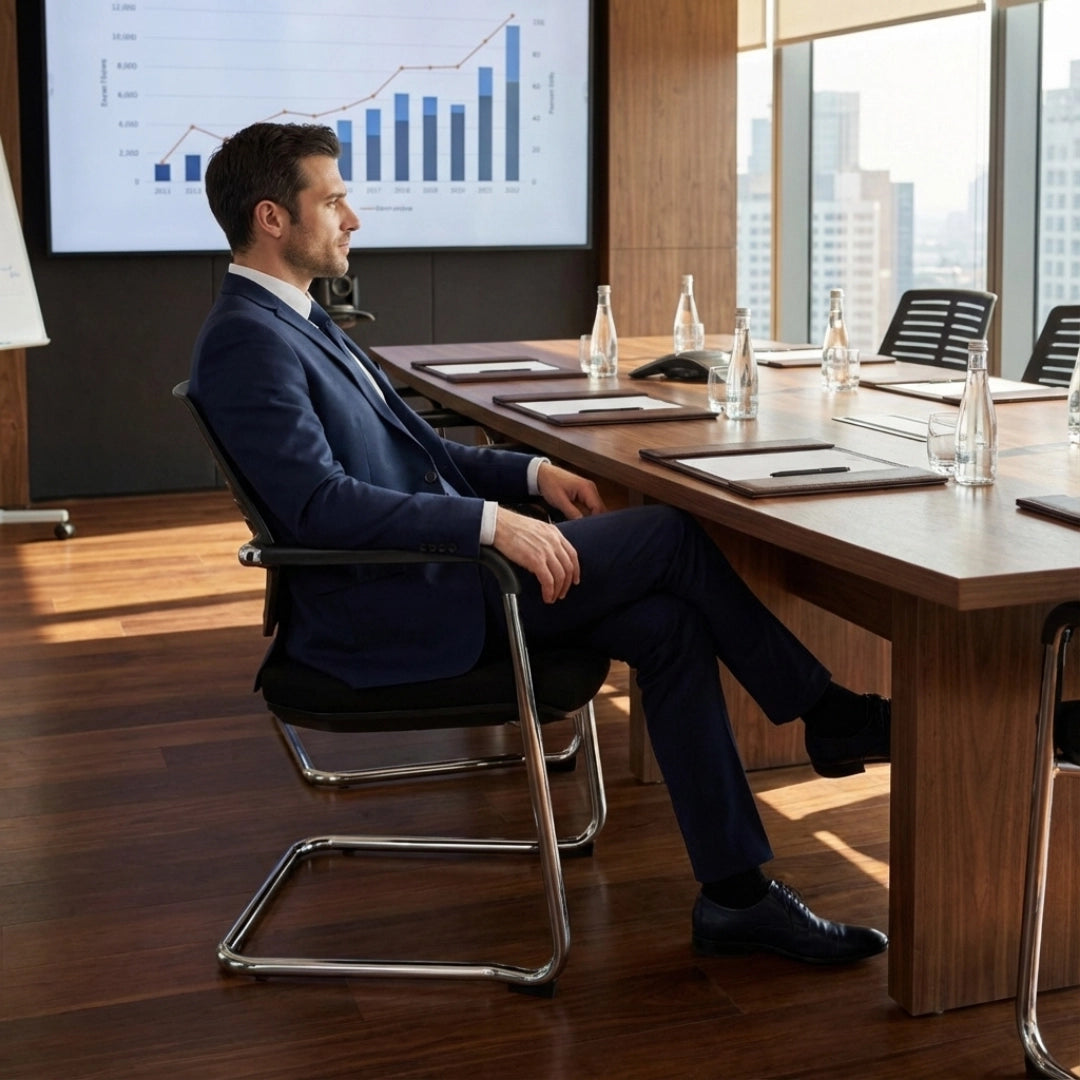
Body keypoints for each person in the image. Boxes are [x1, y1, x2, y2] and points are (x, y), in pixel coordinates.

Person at [190, 122, 890, 966]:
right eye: (333, 199)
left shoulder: (300, 320)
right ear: (272, 217)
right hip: (400, 606)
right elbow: (317, 508)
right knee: (668, 532)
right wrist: (491, 526)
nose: (355, 218)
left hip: (441, 579)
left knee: (668, 624)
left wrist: (529, 479)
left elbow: (422, 451)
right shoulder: (246, 340)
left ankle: (736, 898)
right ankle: (827, 714)